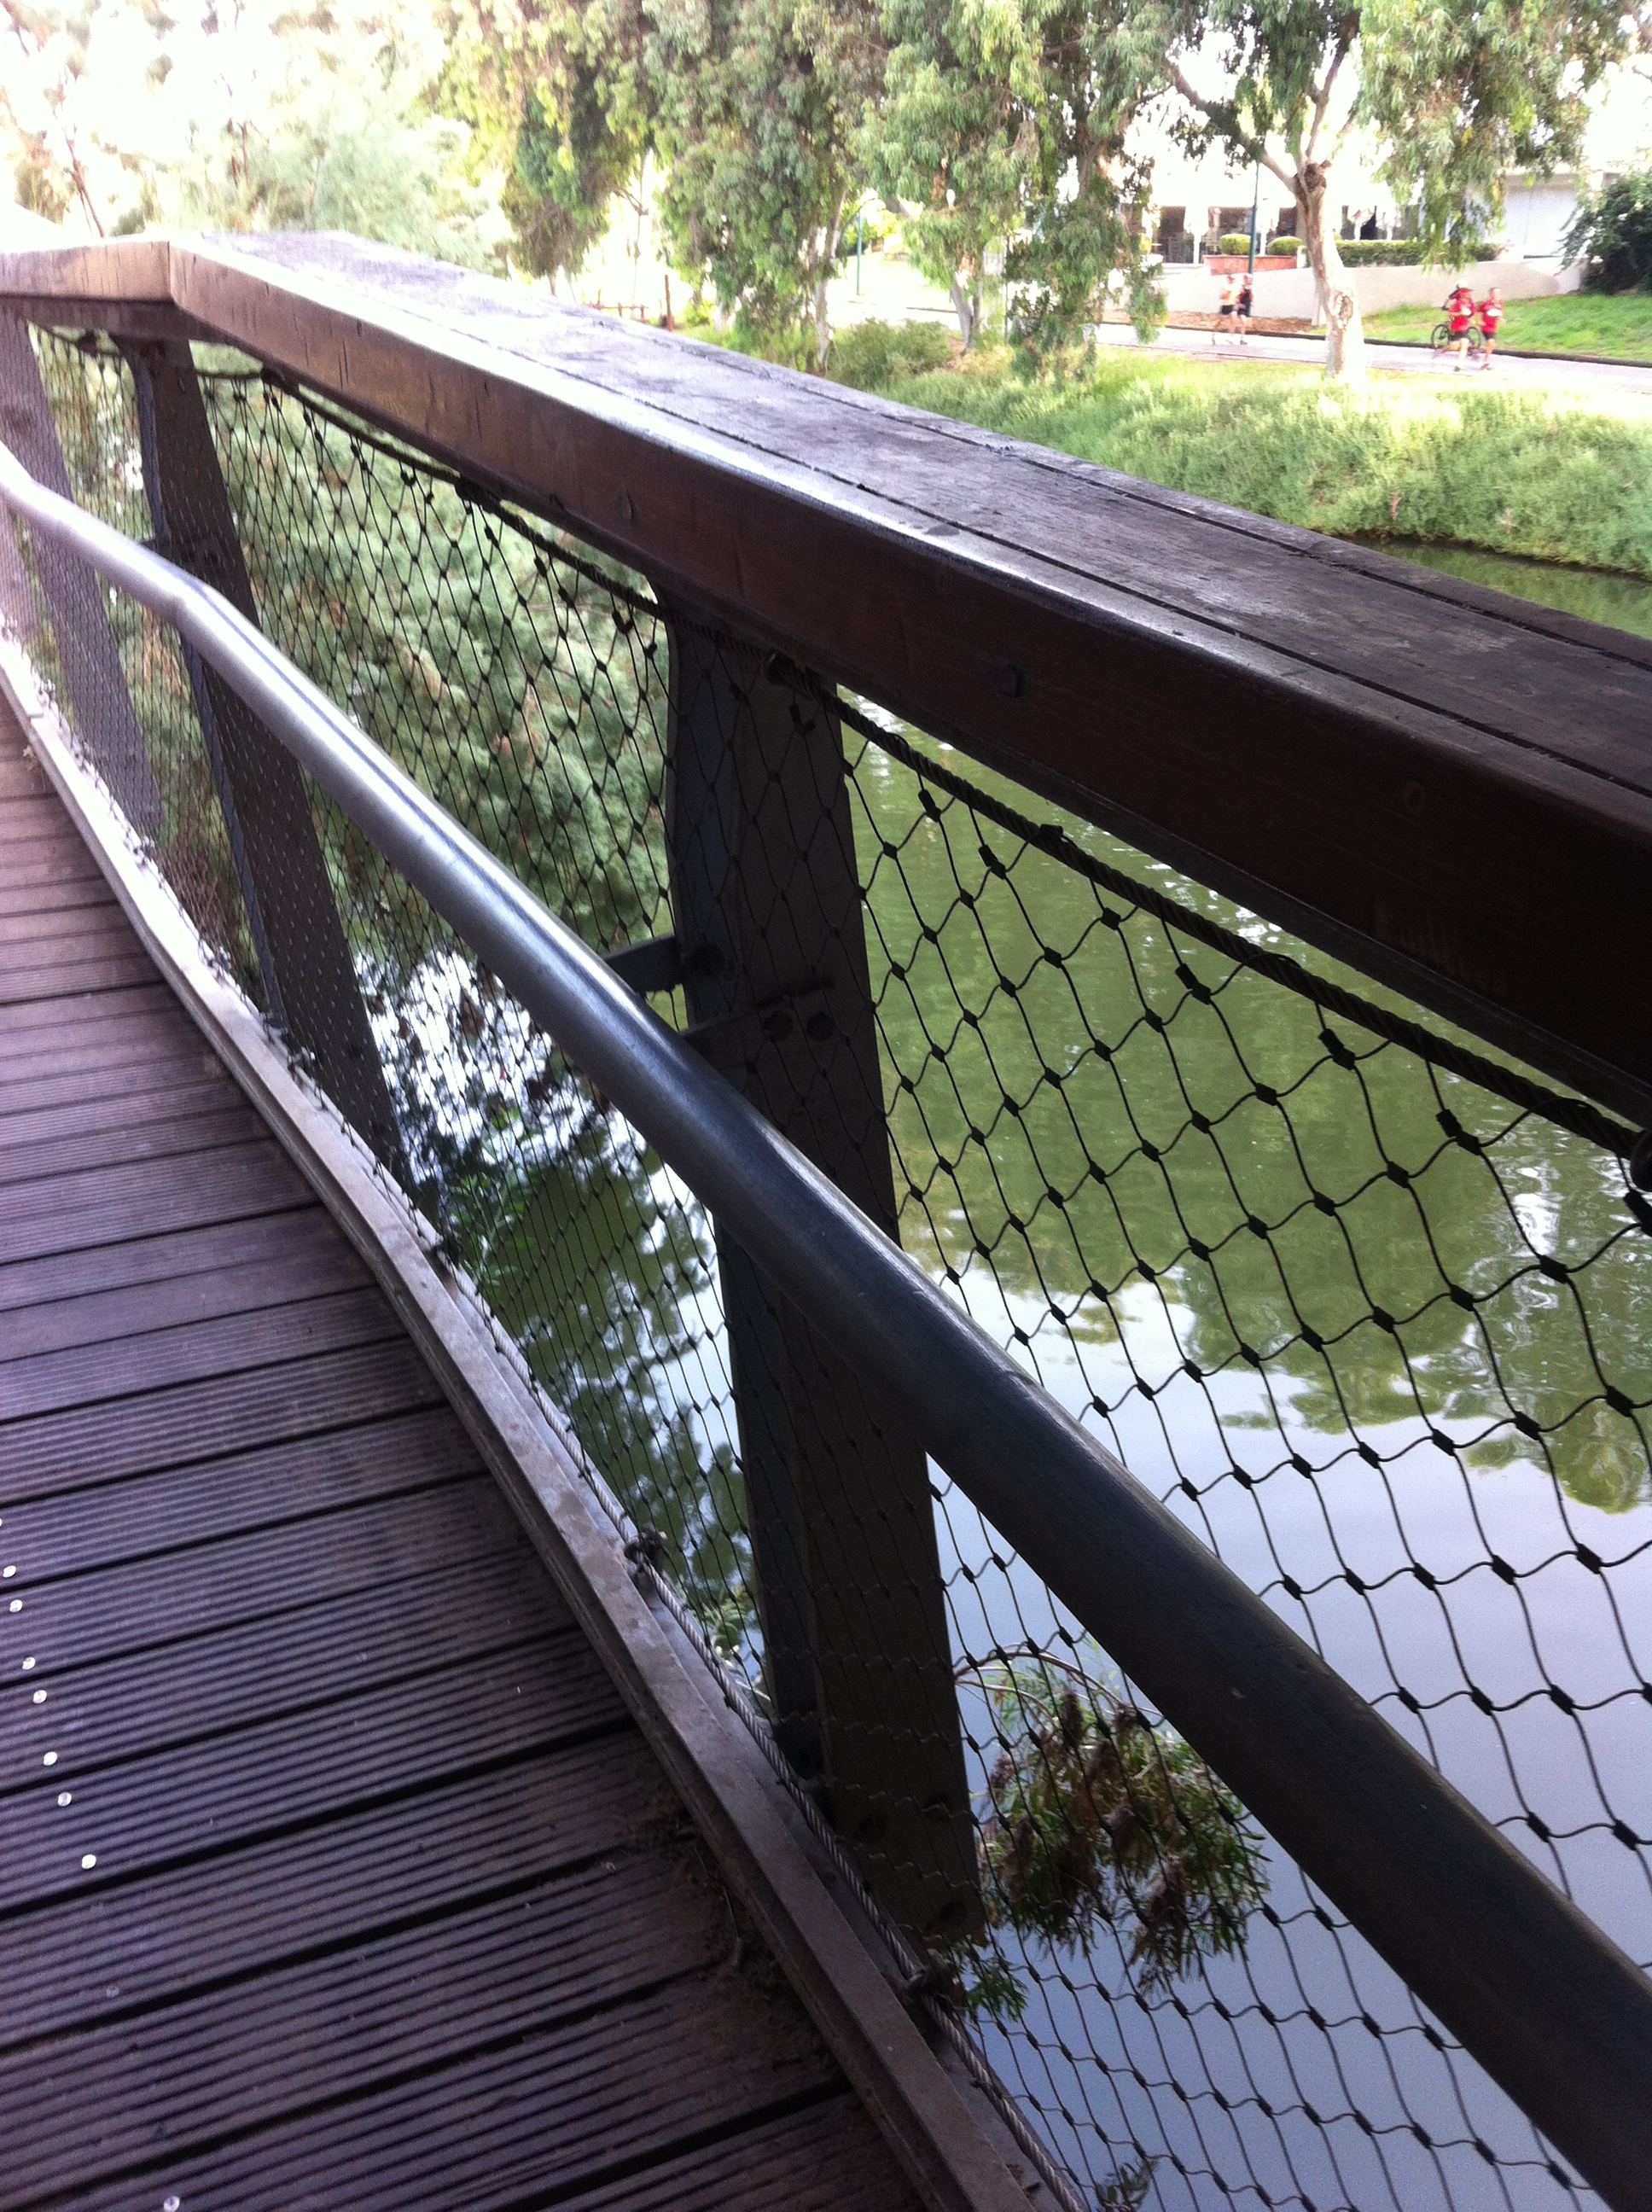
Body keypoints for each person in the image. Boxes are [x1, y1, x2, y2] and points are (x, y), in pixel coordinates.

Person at [1446, 281, 1476, 370]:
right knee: (1455, 346)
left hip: (1465, 328)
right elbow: (1450, 313)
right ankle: (1446, 348)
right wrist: (1460, 314)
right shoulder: (1458, 303)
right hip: (1457, 328)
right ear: (1463, 294)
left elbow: (1472, 312)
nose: (1470, 294)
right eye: (1467, 292)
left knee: (1464, 344)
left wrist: (1470, 318)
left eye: (1469, 292)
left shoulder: (1470, 303)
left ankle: (1459, 365)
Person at [1477, 286, 1504, 370]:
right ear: (1491, 294)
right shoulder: (1486, 304)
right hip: (1486, 327)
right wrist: (1480, 321)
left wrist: (1501, 319)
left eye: (1499, 293)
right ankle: (1486, 361)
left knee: (1492, 345)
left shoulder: (1500, 304)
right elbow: (1479, 311)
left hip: (1493, 327)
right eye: (1496, 293)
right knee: (1491, 342)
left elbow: (1499, 315)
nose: (1498, 295)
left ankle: (1485, 357)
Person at [1214, 275, 1237, 344]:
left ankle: (1231, 336)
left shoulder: (1236, 287)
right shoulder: (1225, 287)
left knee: (1234, 321)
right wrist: (1227, 295)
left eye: (1233, 279)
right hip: (1225, 305)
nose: (1232, 280)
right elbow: (1221, 297)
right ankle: (1214, 333)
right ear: (1228, 279)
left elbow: (1238, 296)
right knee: (1221, 321)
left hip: (1232, 305)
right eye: (1231, 279)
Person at [1236, 271, 1255, 344]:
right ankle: (1241, 337)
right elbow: (1237, 298)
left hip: (1248, 308)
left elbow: (1252, 296)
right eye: (1247, 278)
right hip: (1242, 308)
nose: (1249, 280)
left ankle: (1242, 337)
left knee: (1246, 324)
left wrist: (1252, 302)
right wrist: (1239, 304)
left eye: (1250, 279)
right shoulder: (1241, 288)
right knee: (1243, 322)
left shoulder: (1251, 288)